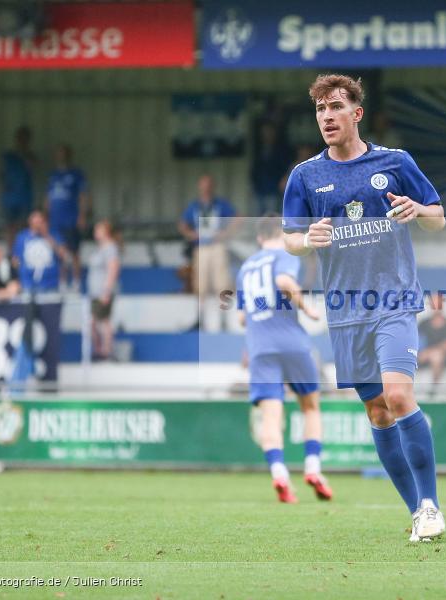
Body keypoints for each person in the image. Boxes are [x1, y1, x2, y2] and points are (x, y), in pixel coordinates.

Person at [283, 74, 446, 542]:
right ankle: (417, 510)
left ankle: (432, 504)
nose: (326, 116)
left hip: (393, 299)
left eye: (335, 107)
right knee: (377, 411)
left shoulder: (395, 162)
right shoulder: (305, 176)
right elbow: (290, 237)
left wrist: (418, 209)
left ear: (356, 113)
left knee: (398, 397)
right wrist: (304, 240)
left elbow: (438, 218)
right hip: (345, 310)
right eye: (319, 109)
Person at [238, 214, 331, 503]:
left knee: (271, 416)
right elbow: (283, 281)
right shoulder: (284, 255)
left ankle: (279, 474)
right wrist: (307, 308)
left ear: (258, 238)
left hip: (260, 346)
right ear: (282, 232)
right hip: (291, 342)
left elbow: (243, 316)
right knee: (311, 407)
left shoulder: (246, 267)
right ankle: (313, 468)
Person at [178, 175, 238, 330]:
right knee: (200, 284)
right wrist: (191, 234)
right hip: (202, 247)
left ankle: (224, 319)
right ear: (199, 186)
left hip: (217, 246)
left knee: (222, 282)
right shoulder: (195, 205)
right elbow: (182, 223)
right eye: (203, 185)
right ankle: (200, 318)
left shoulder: (220, 204)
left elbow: (237, 218)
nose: (206, 188)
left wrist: (225, 233)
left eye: (209, 184)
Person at [46, 144, 90, 289]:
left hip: (70, 218)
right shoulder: (53, 175)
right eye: (58, 154)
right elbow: (49, 197)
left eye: (63, 153)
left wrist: (82, 215)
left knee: (74, 251)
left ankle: (76, 282)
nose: (60, 156)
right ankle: (62, 282)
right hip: (56, 220)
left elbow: (83, 195)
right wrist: (47, 215)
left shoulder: (76, 174)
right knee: (60, 251)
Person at [86, 220, 120, 361]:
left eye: (98, 230)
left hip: (103, 292)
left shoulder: (110, 248)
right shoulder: (100, 248)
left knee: (101, 321)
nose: (95, 233)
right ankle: (100, 350)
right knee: (95, 322)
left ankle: (106, 351)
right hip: (95, 292)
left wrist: (106, 291)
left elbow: (113, 269)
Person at [12, 210, 69, 294]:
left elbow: (63, 255)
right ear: (29, 222)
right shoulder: (22, 237)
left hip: (50, 283)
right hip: (27, 283)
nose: (37, 223)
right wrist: (22, 267)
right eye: (35, 221)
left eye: (40, 221)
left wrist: (46, 235)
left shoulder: (54, 235)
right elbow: (16, 261)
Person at [0, 126, 36, 249]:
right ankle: (11, 252)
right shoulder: (9, 156)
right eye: (20, 138)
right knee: (9, 226)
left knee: (24, 226)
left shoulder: (30, 156)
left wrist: (24, 154)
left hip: (25, 196)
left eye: (25, 139)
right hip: (10, 196)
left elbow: (32, 168)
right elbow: (1, 173)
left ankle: (23, 250)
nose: (22, 141)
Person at [250, 121, 291, 216]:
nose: (266, 135)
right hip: (259, 189)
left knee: (272, 216)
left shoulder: (281, 149)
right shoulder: (259, 148)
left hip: (274, 189)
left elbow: (285, 167)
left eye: (269, 132)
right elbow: (255, 168)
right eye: (264, 132)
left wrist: (283, 179)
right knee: (258, 217)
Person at [416, 293, 446, 391]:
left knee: (436, 356)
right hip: (424, 355)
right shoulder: (424, 323)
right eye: (433, 303)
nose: (436, 305)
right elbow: (415, 341)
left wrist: (430, 352)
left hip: (443, 356)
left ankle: (434, 389)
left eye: (438, 303)